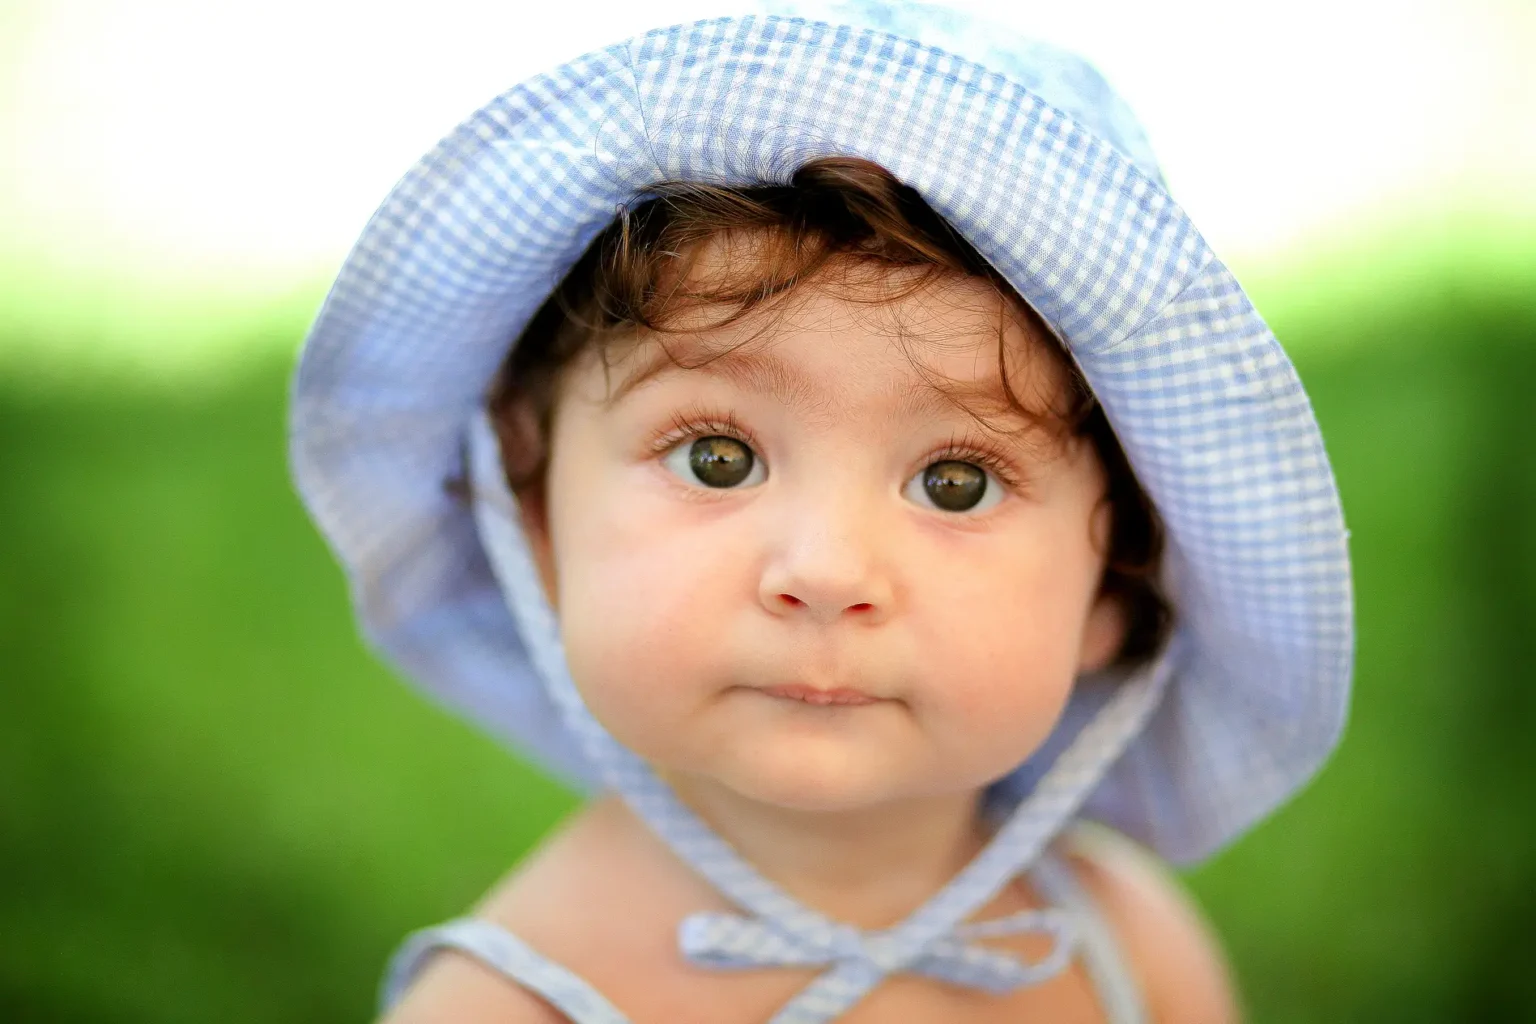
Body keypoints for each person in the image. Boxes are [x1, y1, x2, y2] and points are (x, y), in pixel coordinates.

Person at [289, 2, 1353, 1021]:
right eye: (717, 458)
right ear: (536, 514)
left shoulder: (1127, 950)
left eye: (956, 482)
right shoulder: (513, 1003)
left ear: (1115, 582)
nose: (829, 569)